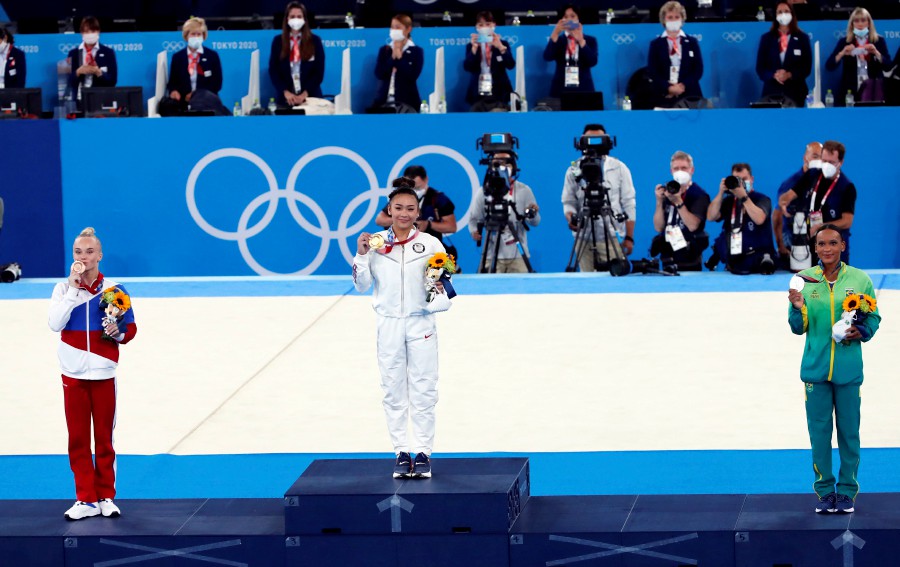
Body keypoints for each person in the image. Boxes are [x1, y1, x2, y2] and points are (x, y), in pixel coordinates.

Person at [354, 178, 453, 479]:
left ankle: (423, 452)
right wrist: (360, 254)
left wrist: (439, 284)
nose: (404, 214)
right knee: (393, 390)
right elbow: (361, 286)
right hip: (388, 324)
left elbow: (445, 288)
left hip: (421, 322)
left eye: (411, 208)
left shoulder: (431, 244)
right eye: (398, 208)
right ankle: (400, 452)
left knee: (424, 388)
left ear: (418, 211)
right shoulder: (375, 244)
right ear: (389, 209)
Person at [788, 224, 880, 513]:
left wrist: (861, 331)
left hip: (848, 370)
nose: (826, 249)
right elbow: (797, 327)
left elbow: (873, 319)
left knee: (849, 433)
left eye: (832, 243)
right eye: (821, 244)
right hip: (815, 370)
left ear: (842, 246)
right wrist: (796, 307)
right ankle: (825, 491)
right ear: (815, 248)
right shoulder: (804, 280)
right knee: (819, 434)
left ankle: (848, 490)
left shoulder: (860, 280)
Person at [48, 227, 137, 521]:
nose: (83, 257)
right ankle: (85, 499)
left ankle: (105, 496)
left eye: (89, 252)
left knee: (104, 439)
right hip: (71, 373)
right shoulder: (62, 290)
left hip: (102, 373)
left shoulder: (115, 290)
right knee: (77, 439)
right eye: (78, 252)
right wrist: (74, 290)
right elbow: (55, 324)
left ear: (99, 255)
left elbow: (131, 329)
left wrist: (118, 333)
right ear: (72, 257)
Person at [561, 123, 636, 272]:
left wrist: (629, 237)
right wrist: (570, 218)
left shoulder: (619, 167)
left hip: (612, 236)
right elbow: (568, 201)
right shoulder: (573, 169)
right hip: (583, 237)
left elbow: (629, 203)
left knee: (615, 282)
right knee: (586, 284)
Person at [778, 140, 856, 264]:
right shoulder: (812, 174)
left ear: (840, 162)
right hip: (812, 244)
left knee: (835, 282)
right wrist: (783, 202)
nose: (826, 165)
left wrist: (821, 227)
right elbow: (789, 195)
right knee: (810, 281)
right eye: (824, 161)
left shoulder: (847, 187)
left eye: (831, 162)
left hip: (834, 246)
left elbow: (847, 221)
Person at [469, 151, 541, 273]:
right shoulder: (484, 192)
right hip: (491, 256)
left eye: (506, 163)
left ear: (513, 167)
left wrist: (532, 214)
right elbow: (474, 219)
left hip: (518, 256)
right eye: (498, 163)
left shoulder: (524, 190)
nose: (502, 167)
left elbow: (535, 222)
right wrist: (474, 232)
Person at [707, 163, 776, 274]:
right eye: (738, 180)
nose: (742, 183)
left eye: (744, 179)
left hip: (758, 261)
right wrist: (720, 193)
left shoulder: (762, 199)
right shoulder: (729, 201)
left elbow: (759, 219)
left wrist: (744, 197)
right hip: (735, 262)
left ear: (751, 179)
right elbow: (711, 216)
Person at [375, 165, 458, 255]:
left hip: (429, 251)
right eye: (412, 187)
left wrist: (429, 224)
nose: (415, 191)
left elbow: (452, 227)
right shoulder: (401, 197)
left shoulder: (439, 199)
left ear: (426, 179)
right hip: (401, 249)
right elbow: (380, 220)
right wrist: (404, 220)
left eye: (418, 187)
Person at [651, 150, 710, 270]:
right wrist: (659, 201)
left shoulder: (699, 195)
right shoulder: (667, 191)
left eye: (684, 168)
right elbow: (658, 227)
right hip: (667, 254)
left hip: (689, 257)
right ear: (671, 171)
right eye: (676, 168)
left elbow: (693, 226)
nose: (680, 171)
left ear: (691, 170)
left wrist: (678, 201)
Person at [162, 17, 229, 116]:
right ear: (186, 36)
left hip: (207, 103)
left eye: (199, 34)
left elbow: (217, 83)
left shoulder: (212, 56)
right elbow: (173, 82)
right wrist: (174, 91)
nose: (196, 37)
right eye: (193, 34)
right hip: (183, 103)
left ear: (204, 36)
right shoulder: (178, 57)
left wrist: (196, 96)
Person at [825, 7, 892, 104]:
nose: (860, 24)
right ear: (852, 24)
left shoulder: (878, 41)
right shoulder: (845, 42)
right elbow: (829, 66)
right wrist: (842, 53)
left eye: (863, 20)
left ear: (869, 23)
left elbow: (888, 66)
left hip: (873, 90)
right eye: (856, 21)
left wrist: (876, 53)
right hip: (850, 91)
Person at [647, 1, 703, 108]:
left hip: (690, 95)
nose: (673, 20)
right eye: (670, 17)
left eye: (677, 17)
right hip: (664, 96)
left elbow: (698, 70)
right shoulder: (656, 44)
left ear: (682, 19)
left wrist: (682, 86)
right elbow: (652, 71)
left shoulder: (692, 42)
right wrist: (669, 88)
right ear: (664, 19)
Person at [755, 1, 812, 107]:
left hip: (796, 92)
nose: (783, 14)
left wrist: (789, 74)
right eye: (780, 12)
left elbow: (806, 67)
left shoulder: (802, 38)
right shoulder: (766, 39)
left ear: (792, 14)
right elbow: (760, 68)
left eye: (786, 11)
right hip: (771, 93)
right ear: (776, 16)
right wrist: (774, 75)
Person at [773, 141, 822, 266]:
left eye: (822, 157)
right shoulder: (790, 183)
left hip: (815, 234)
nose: (819, 161)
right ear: (805, 158)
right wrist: (781, 245)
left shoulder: (822, 182)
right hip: (793, 236)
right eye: (815, 156)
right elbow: (777, 216)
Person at [269, 2, 325, 107]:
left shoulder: (315, 41)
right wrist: (285, 92)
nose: (296, 19)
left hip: (311, 98)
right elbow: (274, 71)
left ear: (304, 19)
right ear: (287, 19)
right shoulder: (278, 41)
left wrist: (304, 94)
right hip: (286, 99)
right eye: (292, 16)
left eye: (299, 16)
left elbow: (318, 73)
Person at [542, 4, 598, 98]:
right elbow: (547, 56)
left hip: (584, 88)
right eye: (565, 17)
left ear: (578, 18)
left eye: (572, 16)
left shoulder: (590, 40)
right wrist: (555, 34)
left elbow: (592, 61)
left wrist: (581, 41)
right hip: (560, 89)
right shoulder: (558, 41)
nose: (569, 20)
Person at [464, 11, 516, 112]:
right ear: (477, 27)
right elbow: (467, 67)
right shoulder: (471, 46)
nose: (484, 27)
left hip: (499, 91)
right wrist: (474, 49)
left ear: (494, 25)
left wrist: (500, 47)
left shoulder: (503, 44)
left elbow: (510, 65)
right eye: (481, 25)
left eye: (488, 24)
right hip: (478, 92)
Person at [372, 14, 423, 112]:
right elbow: (379, 74)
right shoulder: (384, 50)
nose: (394, 30)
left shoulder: (417, 51)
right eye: (392, 27)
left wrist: (399, 58)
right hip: (384, 102)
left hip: (408, 103)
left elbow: (412, 76)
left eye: (398, 27)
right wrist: (392, 58)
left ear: (408, 29)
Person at [67, 16, 118, 103]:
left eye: (93, 31)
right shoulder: (73, 53)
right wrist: (78, 72)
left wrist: (99, 73)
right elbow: (68, 81)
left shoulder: (108, 52)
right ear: (81, 33)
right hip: (79, 100)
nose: (90, 34)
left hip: (101, 98)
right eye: (87, 31)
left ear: (99, 32)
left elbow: (113, 80)